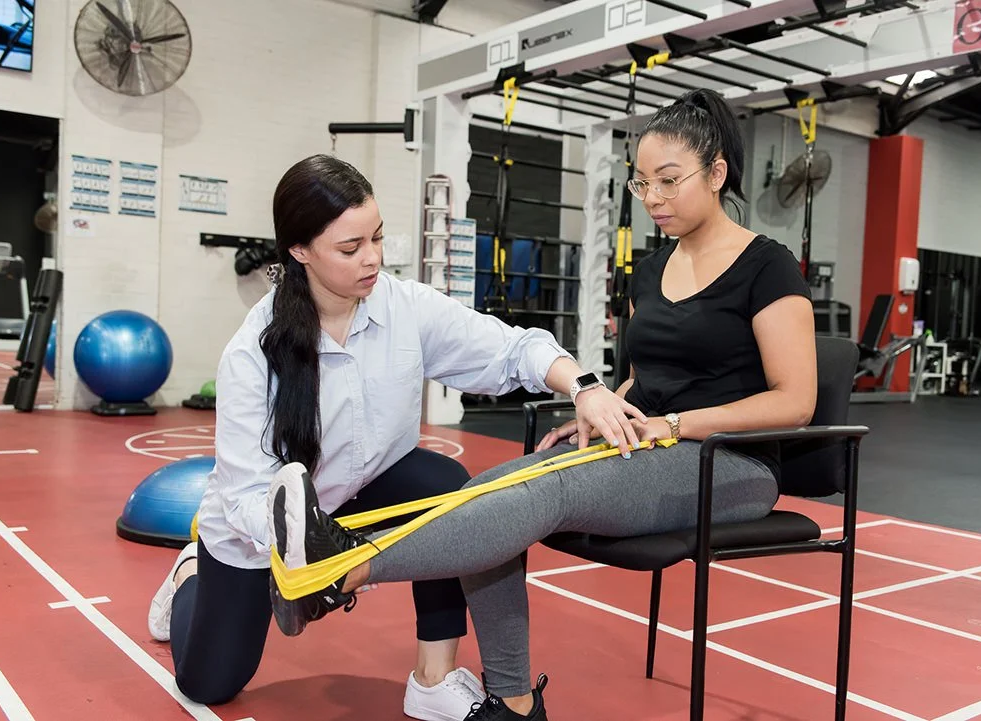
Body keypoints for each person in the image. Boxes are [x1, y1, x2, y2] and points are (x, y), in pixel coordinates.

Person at [269, 87, 818, 721]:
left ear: (717, 172)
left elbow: (795, 402)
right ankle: (514, 700)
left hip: (734, 465)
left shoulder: (768, 268)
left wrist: (672, 425)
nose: (654, 199)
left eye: (669, 181)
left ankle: (340, 572)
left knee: (544, 495)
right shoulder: (649, 270)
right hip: (652, 443)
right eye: (642, 184)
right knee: (485, 491)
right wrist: (599, 409)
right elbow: (647, 379)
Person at [146, 154, 644, 720]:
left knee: (448, 489)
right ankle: (189, 574)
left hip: (365, 490)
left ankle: (433, 677)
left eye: (377, 238)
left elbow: (510, 348)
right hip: (256, 532)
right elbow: (242, 495)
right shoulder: (252, 352)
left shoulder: (405, 307)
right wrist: (307, 547)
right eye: (350, 248)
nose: (373, 259)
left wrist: (584, 387)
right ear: (299, 251)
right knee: (211, 683)